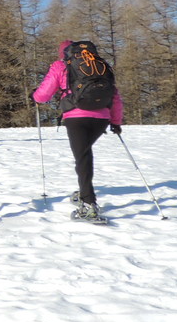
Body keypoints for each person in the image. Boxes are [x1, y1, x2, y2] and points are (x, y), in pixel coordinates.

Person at [32, 40, 124, 222]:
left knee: (82, 158)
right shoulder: (100, 65)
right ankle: (84, 192)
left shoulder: (61, 66)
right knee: (84, 155)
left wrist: (34, 96)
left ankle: (89, 204)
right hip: (102, 118)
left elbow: (43, 95)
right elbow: (115, 95)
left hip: (76, 117)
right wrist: (116, 121)